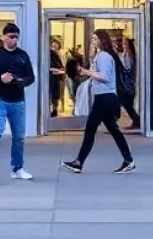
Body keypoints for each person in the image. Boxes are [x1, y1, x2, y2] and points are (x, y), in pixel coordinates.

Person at [62, 30, 135, 175]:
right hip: (103, 97)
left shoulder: (104, 56)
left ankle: (79, 162)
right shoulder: (100, 56)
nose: (93, 41)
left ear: (103, 40)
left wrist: (86, 71)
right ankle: (128, 160)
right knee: (112, 130)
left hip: (105, 98)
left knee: (91, 129)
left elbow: (105, 77)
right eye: (93, 38)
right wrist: (84, 73)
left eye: (96, 39)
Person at [0, 23, 36, 183]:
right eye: (11, 37)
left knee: (19, 136)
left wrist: (21, 81)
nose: (14, 40)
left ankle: (17, 168)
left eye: (16, 37)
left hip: (17, 99)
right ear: (4, 37)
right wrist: (0, 78)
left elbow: (31, 77)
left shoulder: (22, 56)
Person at [114, 36, 140, 130]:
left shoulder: (128, 54)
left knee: (126, 104)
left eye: (125, 43)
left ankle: (136, 120)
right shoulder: (125, 53)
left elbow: (127, 67)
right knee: (127, 104)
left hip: (127, 83)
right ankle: (136, 121)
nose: (123, 45)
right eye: (123, 43)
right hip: (127, 83)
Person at [49, 37, 65, 117]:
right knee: (53, 94)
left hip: (55, 77)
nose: (54, 46)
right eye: (52, 44)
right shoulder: (49, 53)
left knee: (55, 94)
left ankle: (55, 110)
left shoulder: (55, 54)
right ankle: (53, 110)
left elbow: (60, 66)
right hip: (51, 76)